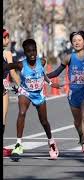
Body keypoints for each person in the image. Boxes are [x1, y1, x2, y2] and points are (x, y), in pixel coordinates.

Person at [47, 31, 84, 153]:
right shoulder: (68, 58)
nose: (77, 42)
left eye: (79, 40)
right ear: (72, 43)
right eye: (74, 41)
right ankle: (81, 136)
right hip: (73, 93)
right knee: (77, 121)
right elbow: (56, 72)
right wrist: (43, 76)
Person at [10, 39, 61, 160]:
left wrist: (50, 83)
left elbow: (43, 74)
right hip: (25, 92)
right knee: (22, 112)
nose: (32, 53)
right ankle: (18, 144)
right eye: (28, 51)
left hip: (39, 94)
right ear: (25, 52)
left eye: (34, 50)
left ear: (36, 51)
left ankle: (51, 142)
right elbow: (7, 66)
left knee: (44, 121)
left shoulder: (42, 61)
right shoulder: (21, 65)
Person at [3, 28, 21, 157]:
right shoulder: (7, 53)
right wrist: (22, 85)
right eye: (6, 37)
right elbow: (12, 72)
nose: (8, 40)